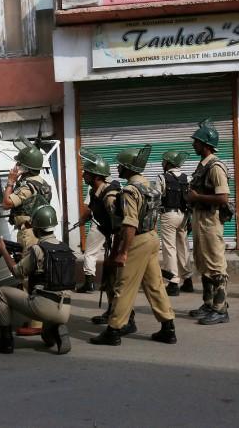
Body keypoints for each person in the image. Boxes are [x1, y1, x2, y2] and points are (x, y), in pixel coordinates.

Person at [90, 145, 177, 346]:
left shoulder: (130, 190)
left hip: (136, 240)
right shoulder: (150, 186)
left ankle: (113, 330)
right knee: (155, 285)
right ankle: (168, 327)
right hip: (152, 237)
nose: (118, 169)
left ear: (128, 168)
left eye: (121, 166)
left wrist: (123, 252)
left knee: (123, 286)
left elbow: (130, 223)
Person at [0, 205, 74, 355]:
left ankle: (5, 341)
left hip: (44, 305)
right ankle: (55, 329)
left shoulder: (38, 249)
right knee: (47, 338)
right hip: (65, 308)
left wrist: (3, 251)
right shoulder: (66, 248)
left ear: (36, 228)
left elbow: (17, 273)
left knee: (2, 293)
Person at [2, 137, 52, 336]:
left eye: (20, 164)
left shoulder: (27, 186)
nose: (17, 166)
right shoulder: (43, 183)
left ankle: (35, 324)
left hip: (29, 233)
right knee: (38, 276)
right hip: (40, 231)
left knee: (27, 277)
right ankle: (39, 320)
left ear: (26, 167)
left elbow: (7, 203)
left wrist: (10, 182)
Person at [186, 119, 232, 325]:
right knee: (203, 262)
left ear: (205, 145)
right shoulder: (202, 165)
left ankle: (221, 309)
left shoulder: (215, 167)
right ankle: (209, 303)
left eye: (196, 142)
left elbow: (223, 198)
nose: (193, 145)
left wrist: (197, 198)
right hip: (199, 219)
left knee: (215, 264)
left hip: (210, 220)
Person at [77, 148, 123, 326]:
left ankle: (124, 316)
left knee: (118, 281)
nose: (83, 175)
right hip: (110, 239)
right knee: (108, 279)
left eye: (86, 173)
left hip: (119, 242)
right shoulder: (94, 193)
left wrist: (117, 253)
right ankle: (112, 310)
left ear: (96, 176)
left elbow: (119, 227)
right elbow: (95, 212)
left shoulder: (109, 196)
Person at [157, 150, 194, 296]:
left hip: (169, 215)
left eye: (163, 161)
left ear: (168, 163)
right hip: (184, 216)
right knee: (183, 246)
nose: (162, 164)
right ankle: (188, 280)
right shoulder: (187, 178)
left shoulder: (162, 177)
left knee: (169, 248)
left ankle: (173, 283)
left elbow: (156, 197)